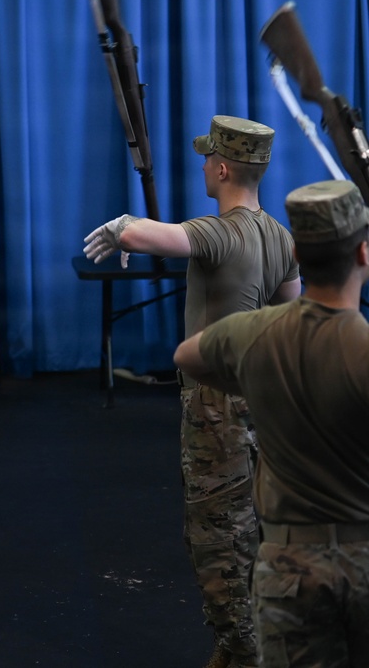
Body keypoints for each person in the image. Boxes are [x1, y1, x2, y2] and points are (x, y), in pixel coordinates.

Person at [82, 115, 301, 668]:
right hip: (264, 404)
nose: (203, 166)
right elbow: (291, 317)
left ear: (224, 168)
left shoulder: (219, 232)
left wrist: (121, 225)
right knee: (256, 531)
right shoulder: (283, 238)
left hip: (215, 411)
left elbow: (152, 234)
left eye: (209, 159)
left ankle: (241, 652)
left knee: (218, 540)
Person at [174, 179, 369, 667]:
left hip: (289, 571)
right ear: (363, 254)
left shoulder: (251, 336)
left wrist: (254, 385)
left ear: (298, 252)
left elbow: (187, 356)